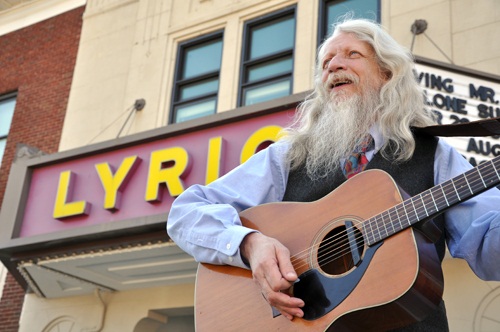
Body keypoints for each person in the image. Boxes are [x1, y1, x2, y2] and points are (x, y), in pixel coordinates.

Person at [167, 17, 500, 331]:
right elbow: (186, 212)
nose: (333, 66)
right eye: (326, 62)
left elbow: (489, 253)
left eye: (352, 54)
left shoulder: (435, 154)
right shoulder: (288, 156)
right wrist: (250, 245)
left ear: (386, 73)